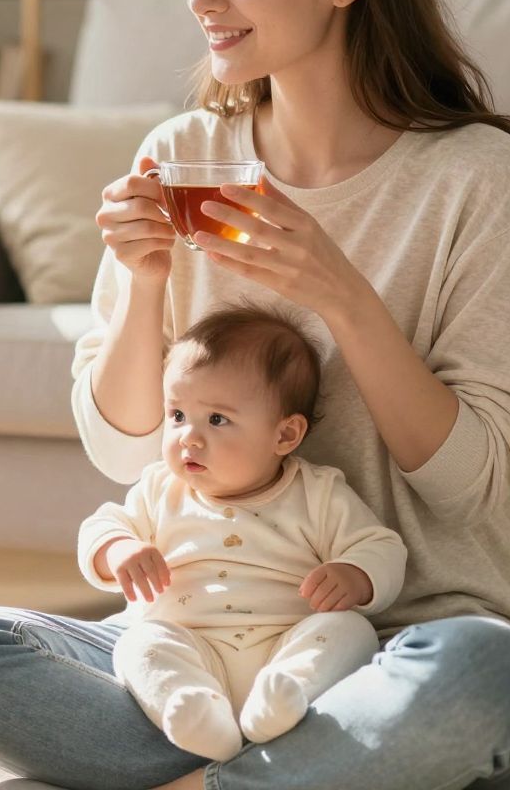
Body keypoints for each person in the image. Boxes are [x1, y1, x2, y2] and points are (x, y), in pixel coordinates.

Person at [0, 0, 510, 790]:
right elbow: (123, 453)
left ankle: (222, 772)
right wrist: (144, 281)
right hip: (204, 641)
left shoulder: (475, 176)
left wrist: (343, 296)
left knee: (491, 675)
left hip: (400, 642)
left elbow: (471, 487)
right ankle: (287, 769)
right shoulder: (184, 156)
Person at [81, 305, 406, 762]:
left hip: (286, 644)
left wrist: (356, 574)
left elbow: (381, 546)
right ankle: (192, 711)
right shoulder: (160, 488)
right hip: (190, 646)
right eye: (177, 414)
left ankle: (287, 697)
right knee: (138, 644)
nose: (188, 437)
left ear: (285, 435)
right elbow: (102, 526)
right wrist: (119, 550)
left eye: (216, 419)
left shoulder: (317, 492)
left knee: (351, 630)